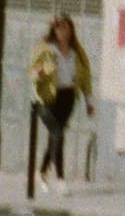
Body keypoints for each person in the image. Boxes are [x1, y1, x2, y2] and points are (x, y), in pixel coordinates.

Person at [30, 13, 92, 185]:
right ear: (53, 30)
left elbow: (85, 77)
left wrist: (89, 102)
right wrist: (39, 73)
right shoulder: (45, 49)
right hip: (46, 98)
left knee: (55, 136)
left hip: (68, 96)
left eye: (65, 27)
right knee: (58, 134)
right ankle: (60, 178)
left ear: (71, 29)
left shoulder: (77, 52)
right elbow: (33, 72)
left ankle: (41, 172)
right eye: (58, 27)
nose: (62, 31)